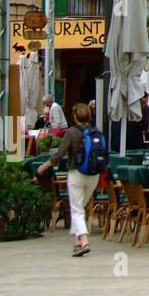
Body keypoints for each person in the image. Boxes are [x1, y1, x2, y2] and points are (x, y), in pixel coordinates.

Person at [36, 103, 101, 258]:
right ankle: (77, 244)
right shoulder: (96, 131)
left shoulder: (72, 132)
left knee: (77, 210)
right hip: (94, 175)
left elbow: (59, 154)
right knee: (80, 207)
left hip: (77, 173)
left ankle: (84, 241)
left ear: (74, 116)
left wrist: (44, 166)